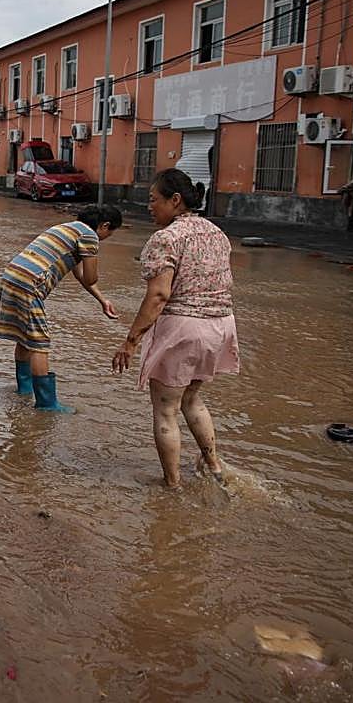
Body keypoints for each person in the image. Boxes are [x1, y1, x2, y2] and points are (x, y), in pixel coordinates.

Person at [112, 169, 239, 488]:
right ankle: (214, 466)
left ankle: (173, 485)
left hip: (184, 328)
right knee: (192, 399)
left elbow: (158, 296)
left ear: (176, 200)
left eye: (154, 200)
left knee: (166, 409)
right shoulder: (215, 232)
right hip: (221, 326)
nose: (149, 207)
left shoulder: (165, 238)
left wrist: (130, 341)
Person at [0, 204, 123, 412]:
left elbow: (78, 274)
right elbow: (91, 277)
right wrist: (93, 257)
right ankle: (46, 404)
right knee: (40, 342)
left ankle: (25, 390)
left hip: (12, 276)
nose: (107, 237)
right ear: (105, 225)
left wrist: (102, 300)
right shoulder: (90, 236)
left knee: (25, 336)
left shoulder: (67, 228)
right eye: (110, 233)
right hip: (31, 283)